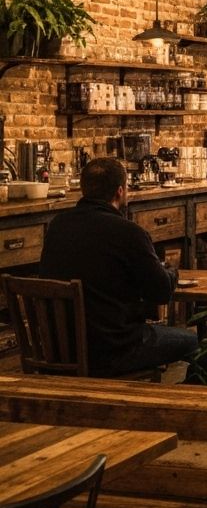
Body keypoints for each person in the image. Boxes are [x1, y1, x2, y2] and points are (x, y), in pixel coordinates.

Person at [38, 157, 197, 376]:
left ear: (83, 189)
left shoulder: (57, 226)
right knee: (196, 341)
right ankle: (187, 407)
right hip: (114, 350)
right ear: (120, 191)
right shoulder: (129, 232)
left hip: (61, 349)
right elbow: (160, 292)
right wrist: (172, 272)